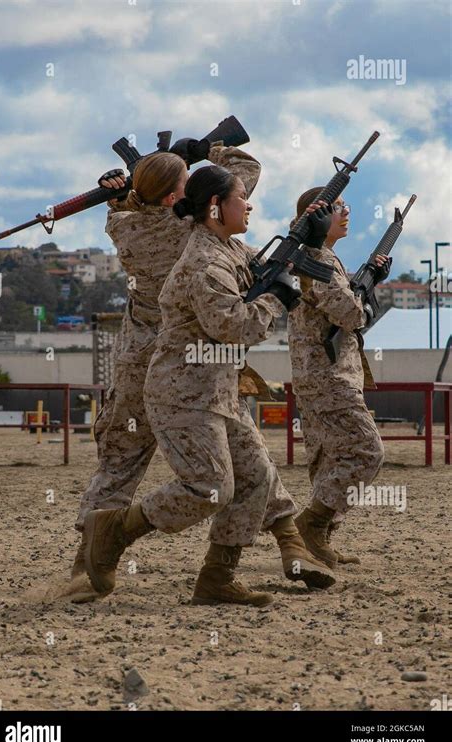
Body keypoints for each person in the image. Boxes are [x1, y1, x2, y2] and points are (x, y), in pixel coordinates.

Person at [81, 165, 336, 607]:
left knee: (255, 476)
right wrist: (278, 295)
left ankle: (218, 577)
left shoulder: (228, 248)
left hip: (215, 390)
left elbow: (272, 264)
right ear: (216, 207)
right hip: (182, 393)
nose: (251, 203)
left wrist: (308, 237)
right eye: (242, 197)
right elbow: (232, 325)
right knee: (210, 487)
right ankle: (116, 529)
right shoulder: (205, 262)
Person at [70, 139, 262, 578]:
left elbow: (129, 209)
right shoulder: (195, 231)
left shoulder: (123, 226)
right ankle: (270, 545)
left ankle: (87, 561)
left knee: (119, 462)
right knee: (243, 459)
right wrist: (208, 148)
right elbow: (244, 172)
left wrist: (123, 191)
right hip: (194, 366)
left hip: (138, 362)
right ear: (182, 198)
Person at [287, 190, 388, 569]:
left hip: (324, 373)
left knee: (329, 458)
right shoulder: (315, 260)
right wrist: (363, 298)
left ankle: (319, 539)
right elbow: (351, 315)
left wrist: (369, 278)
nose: (347, 212)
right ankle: (311, 525)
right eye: (338, 207)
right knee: (367, 450)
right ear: (316, 217)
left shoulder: (322, 257)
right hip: (327, 376)